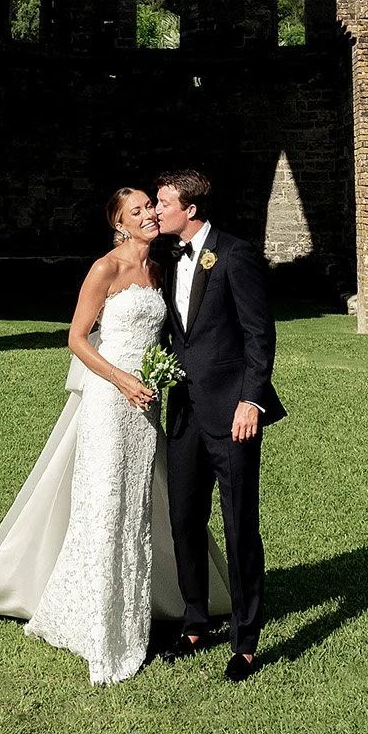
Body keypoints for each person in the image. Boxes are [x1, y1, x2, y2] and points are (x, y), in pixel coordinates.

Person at [0, 185, 229, 686]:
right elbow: (75, 338)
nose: (149, 215)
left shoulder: (158, 270)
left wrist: (156, 378)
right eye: (136, 211)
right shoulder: (105, 269)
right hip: (110, 402)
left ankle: (140, 607)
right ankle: (102, 628)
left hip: (146, 404)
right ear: (119, 224)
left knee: (136, 505)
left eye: (150, 208)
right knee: (106, 503)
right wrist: (124, 380)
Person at [154, 168, 284, 682]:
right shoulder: (168, 259)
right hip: (183, 412)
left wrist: (251, 401)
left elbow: (260, 334)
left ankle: (246, 641)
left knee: (238, 524)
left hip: (233, 416)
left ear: (190, 209)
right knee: (183, 518)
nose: (156, 210)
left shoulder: (234, 254)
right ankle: (193, 621)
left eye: (163, 202)